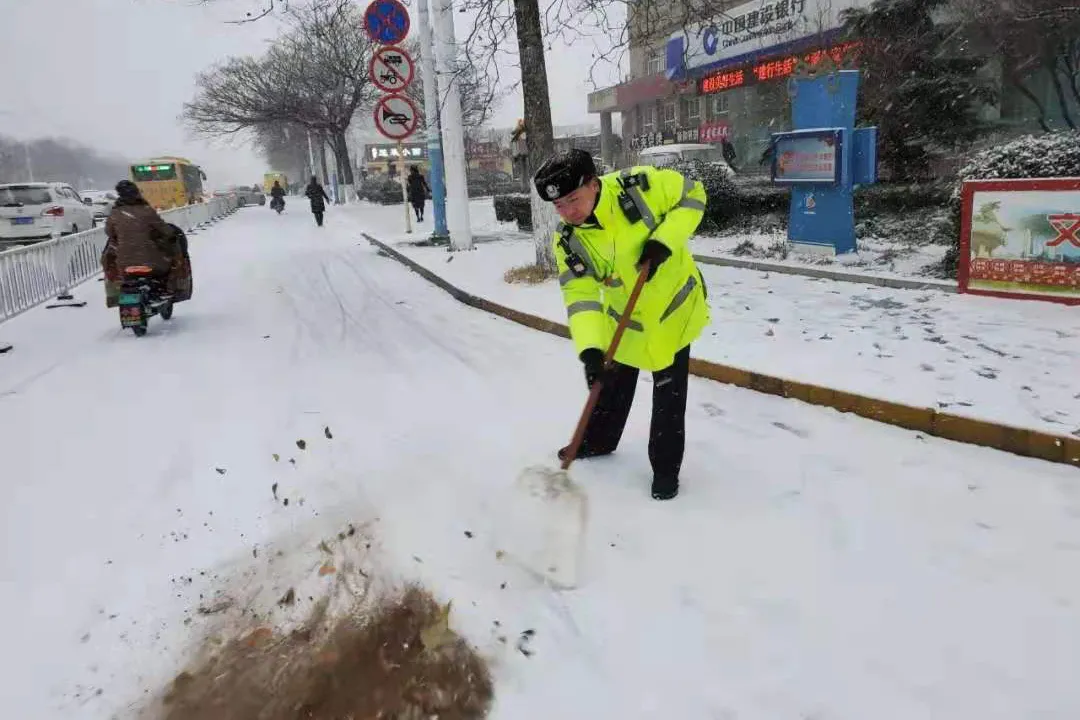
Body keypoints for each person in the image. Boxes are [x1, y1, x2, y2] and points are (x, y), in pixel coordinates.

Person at [533, 148, 710, 501]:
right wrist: (590, 350)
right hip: (624, 318)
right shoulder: (568, 239)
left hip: (672, 310)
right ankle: (597, 441)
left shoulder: (639, 187)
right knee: (610, 382)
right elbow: (580, 295)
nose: (568, 213)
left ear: (594, 185)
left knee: (669, 395)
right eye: (559, 207)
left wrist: (665, 240)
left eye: (573, 199)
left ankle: (665, 469)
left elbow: (694, 195)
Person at [102, 180, 179, 284]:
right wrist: (171, 235)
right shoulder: (146, 210)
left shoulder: (115, 213)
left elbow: (109, 232)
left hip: (123, 262)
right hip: (151, 260)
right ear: (136, 193)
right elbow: (164, 229)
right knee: (169, 267)